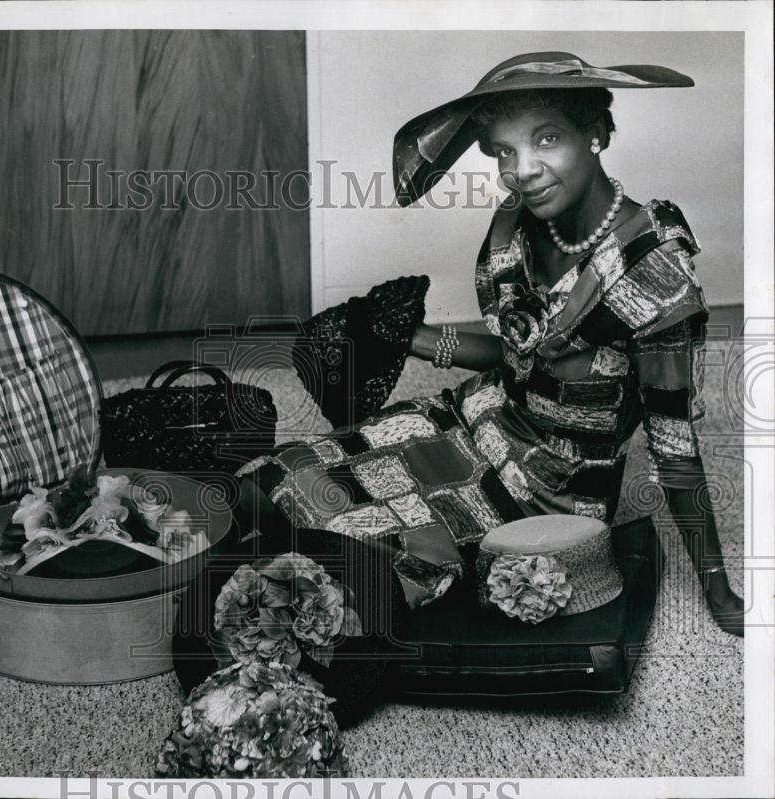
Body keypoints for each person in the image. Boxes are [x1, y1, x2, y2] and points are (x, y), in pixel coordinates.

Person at [237, 51, 744, 636]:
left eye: (546, 139)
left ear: (598, 134)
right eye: (505, 150)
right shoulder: (519, 224)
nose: (522, 169)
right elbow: (517, 355)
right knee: (278, 478)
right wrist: (416, 341)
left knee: (360, 567)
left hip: (547, 490)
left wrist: (720, 589)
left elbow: (675, 449)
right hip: (477, 419)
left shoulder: (652, 275)